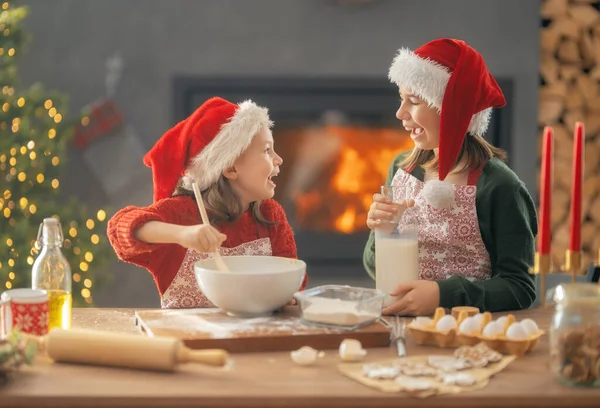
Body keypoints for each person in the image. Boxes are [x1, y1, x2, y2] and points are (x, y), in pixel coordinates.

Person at [363, 38, 537, 316]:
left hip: (470, 331)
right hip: (402, 324)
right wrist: (383, 232)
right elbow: (373, 264)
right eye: (401, 99)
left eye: (414, 101)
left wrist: (443, 294)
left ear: (452, 109)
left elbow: (520, 287)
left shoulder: (501, 187)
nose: (400, 113)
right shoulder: (402, 169)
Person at [107, 97, 306, 308]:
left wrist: (288, 297)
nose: (278, 159)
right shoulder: (180, 214)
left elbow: (292, 284)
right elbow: (119, 228)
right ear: (230, 168)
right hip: (184, 340)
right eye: (267, 150)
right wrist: (181, 235)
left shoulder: (270, 215)